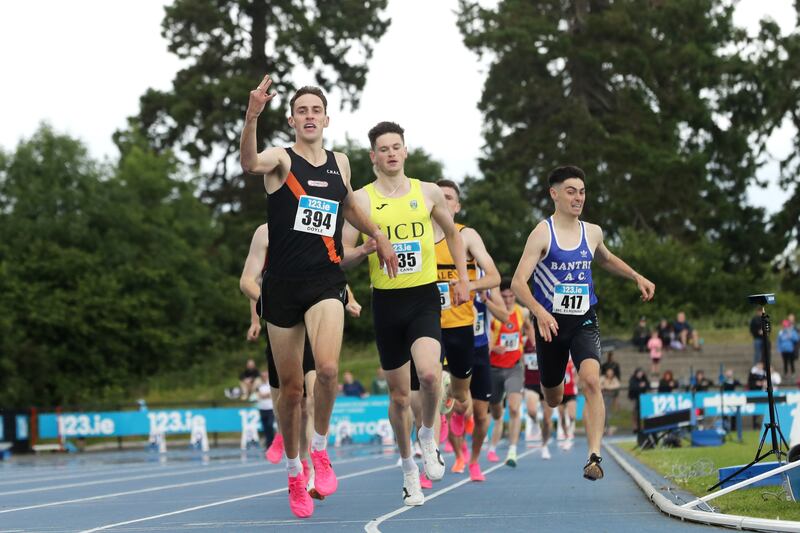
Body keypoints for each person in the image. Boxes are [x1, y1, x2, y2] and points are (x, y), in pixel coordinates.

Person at [240, 76, 397, 518]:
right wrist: (252, 114)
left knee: (327, 370)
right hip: (282, 289)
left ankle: (321, 451)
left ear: (326, 119)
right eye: (301, 111)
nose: (309, 116)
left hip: (325, 281)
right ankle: (294, 472)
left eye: (316, 110)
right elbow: (249, 163)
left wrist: (378, 236)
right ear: (292, 120)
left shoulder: (340, 162)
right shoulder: (281, 160)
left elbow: (348, 206)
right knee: (290, 392)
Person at [341, 121, 469, 506]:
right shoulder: (361, 200)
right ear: (373, 157)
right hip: (387, 303)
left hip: (424, 297)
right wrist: (367, 248)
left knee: (431, 374)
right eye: (384, 148)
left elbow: (454, 234)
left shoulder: (427, 192)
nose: (392, 153)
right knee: (398, 398)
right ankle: (408, 469)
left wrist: (462, 279)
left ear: (405, 151)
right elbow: (342, 256)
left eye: (397, 146)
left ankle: (428, 435)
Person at [510, 165, 655, 481]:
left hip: (584, 320)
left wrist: (636, 275)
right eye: (571, 191)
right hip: (550, 325)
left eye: (582, 191)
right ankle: (557, 387)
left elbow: (603, 257)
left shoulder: (592, 232)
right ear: (555, 194)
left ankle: (594, 457)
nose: (578, 198)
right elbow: (518, 283)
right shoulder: (542, 233)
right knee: (554, 397)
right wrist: (539, 311)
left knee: (591, 381)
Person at [432, 179, 502, 478]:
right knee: (431, 386)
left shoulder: (467, 235)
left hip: (470, 333)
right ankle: (438, 457)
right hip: (431, 327)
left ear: (457, 206)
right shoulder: (419, 235)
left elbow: (495, 276)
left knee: (479, 412)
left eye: (449, 198)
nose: (444, 202)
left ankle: (474, 459)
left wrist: (467, 285)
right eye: (439, 197)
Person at [487, 278, 535, 467]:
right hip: (494, 368)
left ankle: (512, 450)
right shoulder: (492, 314)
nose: (507, 300)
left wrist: (534, 344)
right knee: (497, 411)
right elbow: (483, 336)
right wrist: (493, 347)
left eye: (511, 296)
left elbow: (529, 329)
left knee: (515, 407)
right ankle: (493, 443)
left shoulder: (521, 312)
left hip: (514, 367)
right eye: (504, 296)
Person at [557, 358, 578, 448]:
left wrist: (575, 382)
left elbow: (578, 372)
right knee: (562, 417)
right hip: (560, 392)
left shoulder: (573, 360)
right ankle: (566, 436)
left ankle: (569, 434)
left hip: (571, 392)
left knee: (572, 416)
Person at [256, 369, 276, 450]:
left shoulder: (270, 383)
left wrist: (264, 395)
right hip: (262, 408)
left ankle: (272, 443)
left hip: (270, 408)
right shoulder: (259, 384)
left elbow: (271, 394)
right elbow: (258, 395)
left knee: (270, 425)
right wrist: (264, 395)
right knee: (265, 428)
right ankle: (268, 445)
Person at [599, 367, 620, 435]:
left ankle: (606, 428)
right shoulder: (603, 378)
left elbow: (617, 385)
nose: (610, 373)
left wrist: (606, 386)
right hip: (603, 397)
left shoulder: (614, 379)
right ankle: (604, 428)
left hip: (611, 398)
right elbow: (599, 385)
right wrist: (607, 387)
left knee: (607, 412)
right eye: (609, 371)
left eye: (611, 372)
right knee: (603, 412)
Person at [628, 368, 650, 433]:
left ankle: (642, 427)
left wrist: (644, 385)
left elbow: (648, 386)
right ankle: (635, 427)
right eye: (639, 373)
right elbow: (632, 387)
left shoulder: (644, 379)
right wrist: (639, 386)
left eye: (641, 373)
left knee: (642, 413)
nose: (640, 374)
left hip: (642, 398)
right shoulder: (633, 379)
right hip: (634, 398)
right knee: (635, 413)